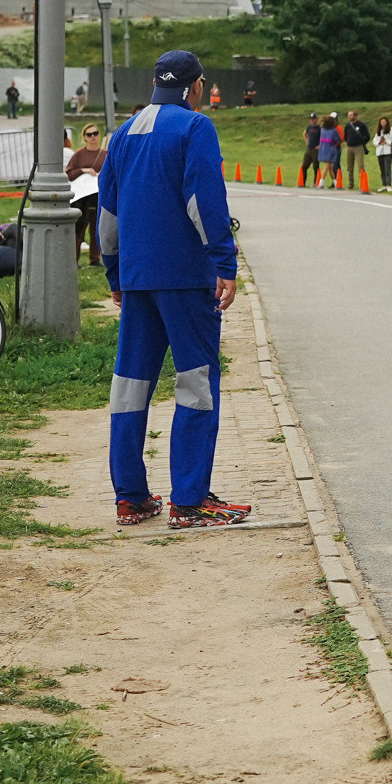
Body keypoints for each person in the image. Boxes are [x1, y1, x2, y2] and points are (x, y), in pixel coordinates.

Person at [99, 50, 248, 530]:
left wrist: (114, 273)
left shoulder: (122, 135)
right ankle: (190, 499)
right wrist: (225, 262)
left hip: (138, 280)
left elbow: (108, 216)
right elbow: (204, 200)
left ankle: (131, 498)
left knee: (130, 386)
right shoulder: (194, 128)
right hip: (185, 278)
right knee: (196, 383)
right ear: (197, 87)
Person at [66, 120, 109, 266]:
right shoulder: (79, 155)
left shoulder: (105, 154)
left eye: (95, 133)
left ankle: (95, 258)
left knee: (97, 226)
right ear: (84, 137)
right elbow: (69, 173)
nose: (93, 137)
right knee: (80, 227)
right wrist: (83, 170)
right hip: (82, 197)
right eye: (89, 134)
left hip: (99, 195)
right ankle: (74, 259)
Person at [342, 110, 371, 192]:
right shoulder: (348, 126)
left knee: (360, 166)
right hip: (349, 147)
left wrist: (362, 143)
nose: (349, 117)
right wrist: (348, 141)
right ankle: (350, 184)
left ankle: (362, 184)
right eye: (349, 115)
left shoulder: (361, 125)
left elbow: (367, 136)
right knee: (349, 166)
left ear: (355, 116)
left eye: (351, 115)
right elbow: (345, 136)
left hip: (358, 147)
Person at [374, 115, 392, 194]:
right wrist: (379, 142)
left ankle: (389, 184)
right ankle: (384, 184)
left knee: (387, 168)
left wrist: (387, 141)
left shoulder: (391, 130)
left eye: (384, 122)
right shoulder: (379, 131)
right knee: (382, 169)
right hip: (380, 151)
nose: (383, 123)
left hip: (388, 151)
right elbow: (374, 141)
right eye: (381, 122)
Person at [316, 113, 342, 189]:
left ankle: (335, 182)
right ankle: (321, 182)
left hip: (323, 148)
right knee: (327, 165)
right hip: (330, 149)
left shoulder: (322, 130)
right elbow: (338, 140)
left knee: (330, 167)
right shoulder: (333, 131)